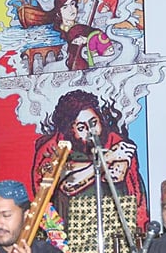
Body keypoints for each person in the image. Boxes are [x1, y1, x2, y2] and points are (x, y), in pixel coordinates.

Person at [32, 89, 149, 231]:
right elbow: (66, 184)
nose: (91, 132)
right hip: (70, 231)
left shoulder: (115, 142)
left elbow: (119, 177)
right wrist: (107, 158)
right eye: (82, 127)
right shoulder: (53, 148)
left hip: (113, 229)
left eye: (94, 123)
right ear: (69, 130)